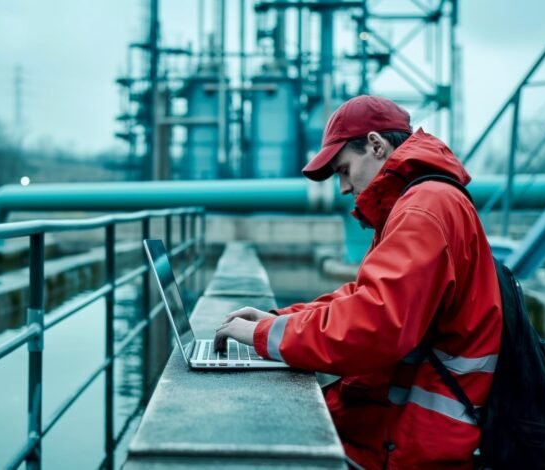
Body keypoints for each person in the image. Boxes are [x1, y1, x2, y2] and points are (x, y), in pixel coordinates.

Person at [214, 95, 503, 469]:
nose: (343, 188)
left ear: (376, 145)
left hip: (419, 443)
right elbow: (364, 297)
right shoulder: (421, 201)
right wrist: (279, 318)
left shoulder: (423, 208)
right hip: (415, 428)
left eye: (344, 170)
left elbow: (377, 324)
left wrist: (264, 335)